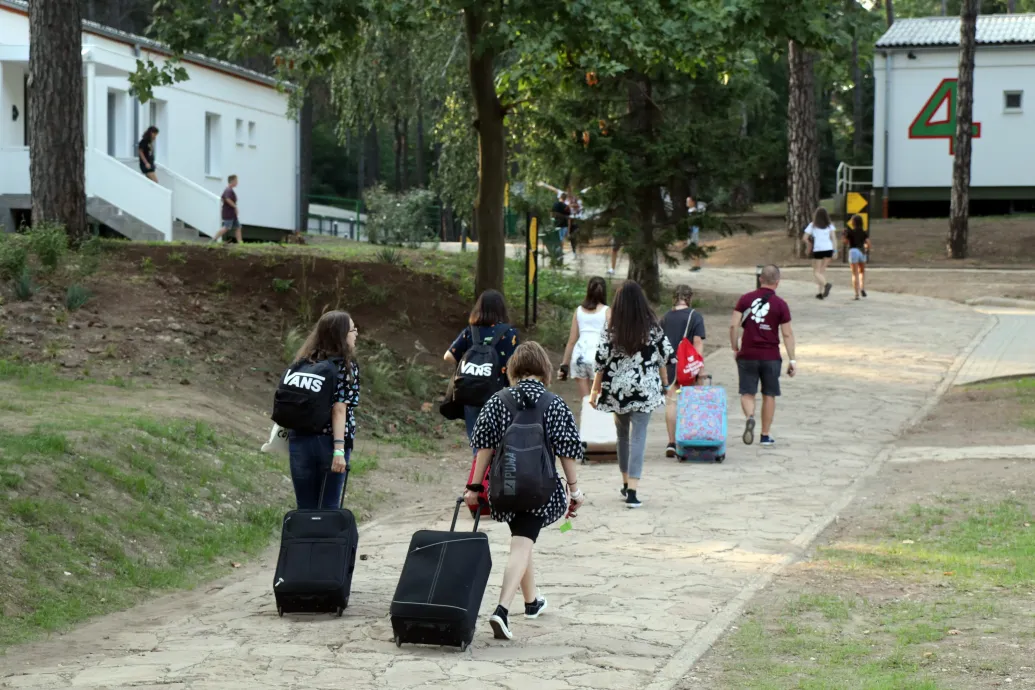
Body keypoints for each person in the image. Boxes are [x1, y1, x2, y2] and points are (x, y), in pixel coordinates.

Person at [465, 342, 586, 641]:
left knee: (522, 537)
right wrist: (575, 489)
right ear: (544, 369)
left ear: (514, 369)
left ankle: (532, 602)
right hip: (539, 488)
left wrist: (474, 487)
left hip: (505, 487)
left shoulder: (498, 401)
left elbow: (484, 448)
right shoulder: (554, 403)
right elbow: (567, 450)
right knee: (521, 544)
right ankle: (502, 610)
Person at [590, 281, 673, 508]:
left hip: (618, 390)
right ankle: (634, 491)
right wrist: (665, 384)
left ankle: (626, 482)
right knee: (639, 437)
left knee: (623, 436)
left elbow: (600, 362)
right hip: (645, 390)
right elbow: (664, 356)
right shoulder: (652, 327)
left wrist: (594, 390)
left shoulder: (611, 328)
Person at [287, 310, 361, 509]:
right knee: (328, 509)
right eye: (353, 329)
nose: (356, 334)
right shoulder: (345, 366)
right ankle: (326, 542)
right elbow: (339, 409)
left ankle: (303, 541)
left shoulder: (302, 362)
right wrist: (338, 450)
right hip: (330, 444)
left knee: (305, 508)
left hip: (299, 441)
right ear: (341, 334)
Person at [730, 264, 796, 448]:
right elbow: (787, 334)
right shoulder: (781, 304)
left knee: (747, 392)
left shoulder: (745, 299)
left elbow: (734, 325)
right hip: (771, 356)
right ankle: (765, 435)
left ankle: (750, 417)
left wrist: (735, 347)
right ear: (778, 282)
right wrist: (792, 359)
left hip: (748, 354)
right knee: (769, 394)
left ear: (760, 279)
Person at [444, 290, 520, 447]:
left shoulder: (470, 332)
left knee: (478, 445)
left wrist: (469, 364)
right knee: (499, 444)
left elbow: (448, 356)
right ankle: (493, 470)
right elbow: (516, 365)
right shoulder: (510, 334)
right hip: (500, 396)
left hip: (471, 394)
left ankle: (480, 471)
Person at [660, 284, 706, 457]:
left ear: (674, 298)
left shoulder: (665, 318)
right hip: (688, 366)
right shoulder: (695, 317)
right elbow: (698, 343)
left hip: (670, 366)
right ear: (689, 298)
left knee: (671, 402)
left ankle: (671, 442)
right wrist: (698, 368)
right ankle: (691, 438)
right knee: (691, 402)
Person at [559, 277, 609, 400]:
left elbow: (571, 340)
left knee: (586, 402)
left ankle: (587, 418)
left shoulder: (579, 311)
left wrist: (564, 365)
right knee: (599, 400)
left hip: (579, 356)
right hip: (598, 358)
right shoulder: (607, 311)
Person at [802, 207, 837, 299]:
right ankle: (820, 293)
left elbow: (804, 238)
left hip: (818, 250)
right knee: (821, 272)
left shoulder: (812, 225)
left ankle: (826, 285)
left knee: (816, 272)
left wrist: (809, 245)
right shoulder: (830, 226)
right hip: (829, 249)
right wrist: (835, 251)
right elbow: (834, 239)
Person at [845, 214, 870, 300]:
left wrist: (844, 236)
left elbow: (845, 242)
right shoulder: (864, 232)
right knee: (861, 272)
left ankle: (856, 294)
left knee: (854, 273)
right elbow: (868, 243)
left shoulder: (850, 232)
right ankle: (862, 288)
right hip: (862, 252)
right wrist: (866, 249)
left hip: (853, 251)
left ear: (853, 222)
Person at [212, 175, 243, 244]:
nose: (237, 182)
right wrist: (235, 207)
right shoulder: (228, 190)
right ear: (232, 181)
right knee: (226, 227)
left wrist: (235, 209)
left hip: (232, 214)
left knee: (238, 227)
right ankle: (213, 240)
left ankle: (241, 243)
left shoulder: (230, 190)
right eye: (236, 181)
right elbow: (227, 199)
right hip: (228, 213)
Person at [687, 196, 702, 272]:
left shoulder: (693, 211)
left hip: (693, 233)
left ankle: (697, 266)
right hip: (691, 232)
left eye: (688, 201)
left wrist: (693, 232)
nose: (687, 203)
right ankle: (696, 265)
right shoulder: (690, 210)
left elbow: (694, 223)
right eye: (687, 201)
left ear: (693, 202)